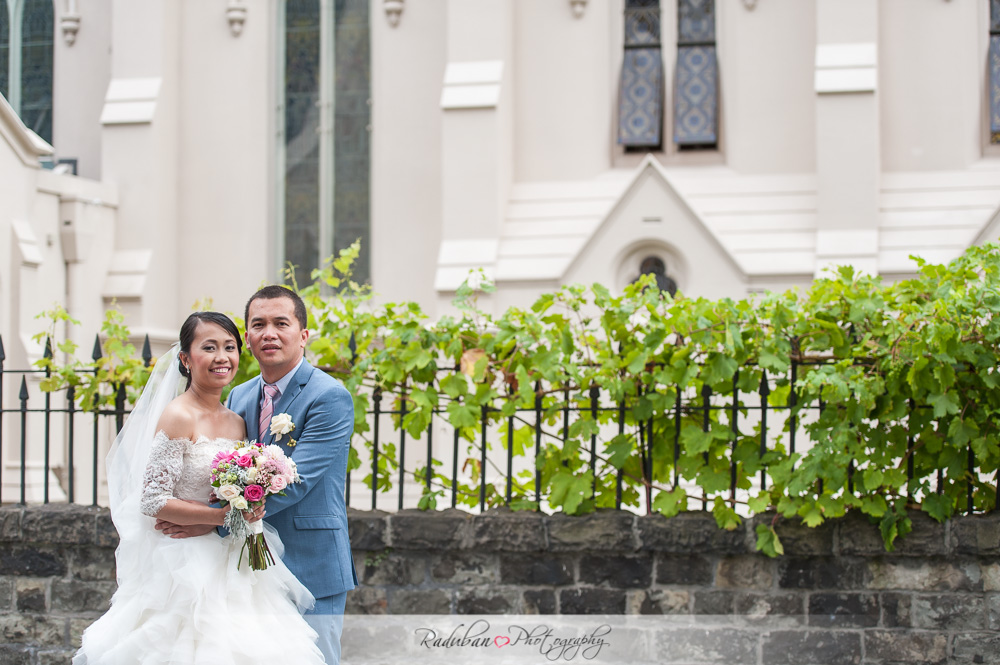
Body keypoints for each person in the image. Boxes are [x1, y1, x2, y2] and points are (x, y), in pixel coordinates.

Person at [73, 311, 325, 664]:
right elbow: (153, 498)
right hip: (184, 564)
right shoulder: (179, 416)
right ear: (185, 359)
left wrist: (239, 508)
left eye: (230, 347)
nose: (222, 357)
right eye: (209, 347)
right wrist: (221, 516)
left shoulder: (237, 420)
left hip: (237, 559)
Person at [157, 287, 357, 665]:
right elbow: (225, 474)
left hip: (309, 560)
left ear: (303, 335)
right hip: (245, 566)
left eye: (282, 323)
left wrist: (214, 524)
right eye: (258, 324)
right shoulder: (239, 397)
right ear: (247, 339)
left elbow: (296, 482)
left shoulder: (329, 396)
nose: (270, 333)